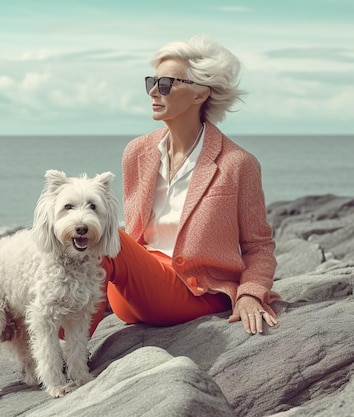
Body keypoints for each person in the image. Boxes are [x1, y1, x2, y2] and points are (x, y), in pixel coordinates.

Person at [94, 35, 280, 335]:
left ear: (199, 95)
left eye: (166, 84)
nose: (154, 91)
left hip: (195, 292)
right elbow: (136, 235)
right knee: (78, 233)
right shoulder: (137, 152)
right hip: (138, 288)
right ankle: (44, 336)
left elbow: (258, 247)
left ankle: (64, 354)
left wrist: (250, 294)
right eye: (151, 82)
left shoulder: (238, 163)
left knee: (99, 232)